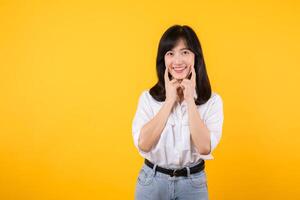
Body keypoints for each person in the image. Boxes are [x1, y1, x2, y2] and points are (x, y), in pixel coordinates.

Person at [132, 24, 224, 200]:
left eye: (185, 52)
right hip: (151, 182)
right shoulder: (148, 98)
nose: (178, 60)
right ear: (163, 60)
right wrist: (169, 101)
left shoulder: (212, 101)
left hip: (192, 184)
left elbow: (205, 147)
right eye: (170, 53)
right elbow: (143, 144)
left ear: (196, 57)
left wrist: (190, 99)